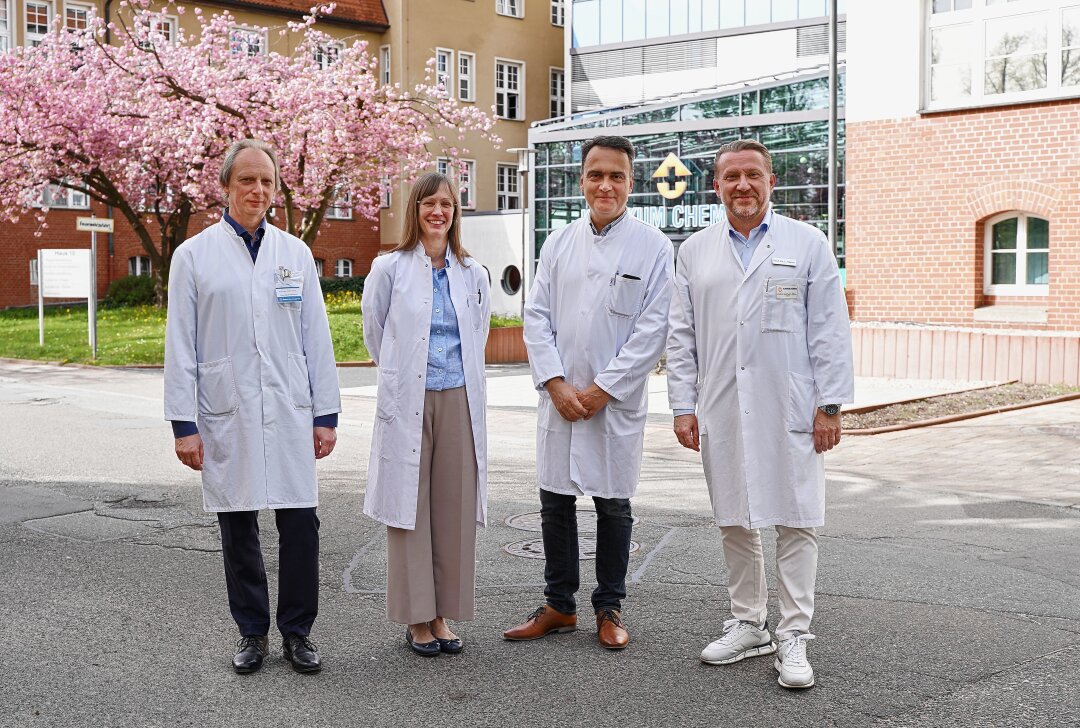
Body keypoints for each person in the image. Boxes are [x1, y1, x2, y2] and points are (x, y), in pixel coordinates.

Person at [666, 139, 853, 689]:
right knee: (734, 516)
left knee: (797, 517)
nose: (742, 185)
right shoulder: (695, 251)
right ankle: (749, 623)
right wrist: (682, 405)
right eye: (731, 177)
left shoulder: (808, 243)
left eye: (753, 175)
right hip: (721, 401)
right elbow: (681, 337)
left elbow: (830, 330)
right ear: (716, 185)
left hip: (792, 403)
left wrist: (831, 405)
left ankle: (794, 634)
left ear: (771, 181)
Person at [164, 139, 340, 675]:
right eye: (247, 180)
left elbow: (316, 337)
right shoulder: (193, 255)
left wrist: (325, 415)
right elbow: (181, 344)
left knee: (300, 523)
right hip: (227, 410)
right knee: (238, 525)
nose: (258, 190)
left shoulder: (296, 254)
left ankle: (298, 633)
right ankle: (251, 632)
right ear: (225, 186)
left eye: (267, 181)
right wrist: (184, 425)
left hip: (290, 407)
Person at [503, 135, 673, 650]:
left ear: (630, 182)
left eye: (616, 176)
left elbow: (654, 328)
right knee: (554, 504)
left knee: (613, 506)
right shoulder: (558, 242)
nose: (605, 185)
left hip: (611, 403)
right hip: (559, 399)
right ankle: (559, 605)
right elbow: (537, 317)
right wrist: (554, 383)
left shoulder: (654, 246)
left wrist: (602, 390)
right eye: (596, 174)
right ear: (581, 180)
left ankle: (609, 606)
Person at [361, 172, 490, 657]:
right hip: (408, 400)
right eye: (429, 204)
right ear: (414, 210)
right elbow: (376, 333)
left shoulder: (471, 272)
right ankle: (418, 618)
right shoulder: (389, 268)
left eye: (447, 205)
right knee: (409, 509)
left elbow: (475, 336)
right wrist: (402, 374)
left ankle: (443, 614)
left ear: (455, 214)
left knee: (453, 508)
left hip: (456, 397)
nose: (438, 212)